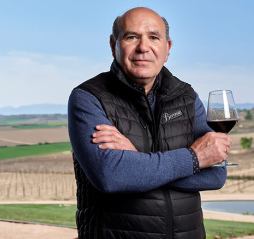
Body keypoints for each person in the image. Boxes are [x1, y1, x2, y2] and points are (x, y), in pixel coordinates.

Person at [68, 7, 232, 239]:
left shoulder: (187, 96)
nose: (143, 47)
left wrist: (138, 160)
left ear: (167, 48)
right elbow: (111, 177)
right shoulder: (88, 97)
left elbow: (216, 175)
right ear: (114, 45)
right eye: (131, 37)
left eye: (154, 37)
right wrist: (195, 159)